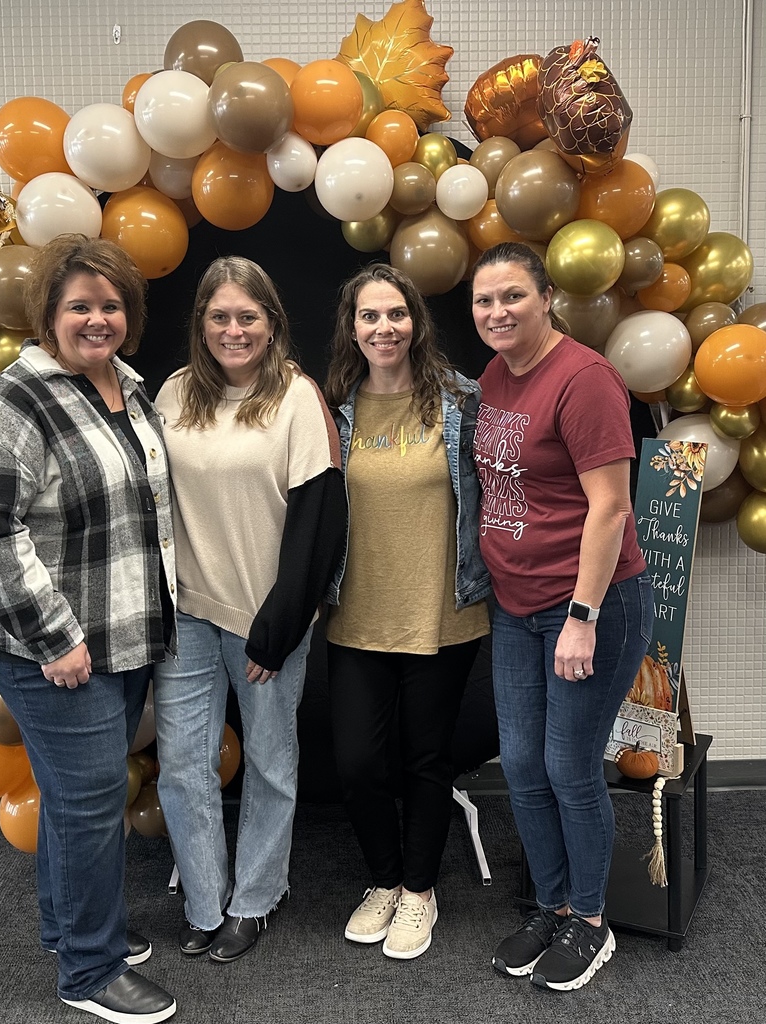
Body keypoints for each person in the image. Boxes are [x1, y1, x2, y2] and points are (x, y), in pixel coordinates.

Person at [0, 235, 178, 1023]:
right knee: (89, 801)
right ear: (48, 315)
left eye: (110, 305)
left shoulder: (128, 386)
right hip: (49, 642)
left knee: (71, 794)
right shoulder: (13, 401)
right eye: (79, 305)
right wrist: (55, 638)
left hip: (118, 631)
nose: (97, 319)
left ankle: (67, 925)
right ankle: (89, 970)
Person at [470, 242, 653, 991]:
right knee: (519, 766)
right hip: (516, 608)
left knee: (568, 768)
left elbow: (610, 506)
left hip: (589, 607)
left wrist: (582, 615)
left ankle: (590, 921)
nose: (497, 312)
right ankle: (548, 906)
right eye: (484, 301)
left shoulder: (586, 380)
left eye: (512, 296)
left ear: (546, 297)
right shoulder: (493, 375)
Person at [153, 256, 345, 964]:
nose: (234, 330)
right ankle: (205, 901)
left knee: (268, 762)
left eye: (248, 317)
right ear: (201, 324)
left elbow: (321, 519)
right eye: (219, 317)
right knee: (183, 764)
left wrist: (282, 623)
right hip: (187, 615)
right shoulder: (175, 394)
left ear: (271, 324)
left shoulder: (296, 396)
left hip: (268, 619)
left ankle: (257, 898)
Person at [322, 263, 491, 960]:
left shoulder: (463, 400)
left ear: (416, 322)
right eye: (370, 316)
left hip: (442, 613)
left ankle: (419, 891)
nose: (384, 327)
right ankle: (384, 881)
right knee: (358, 764)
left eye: (396, 314)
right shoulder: (332, 409)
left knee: (426, 760)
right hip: (356, 614)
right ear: (352, 327)